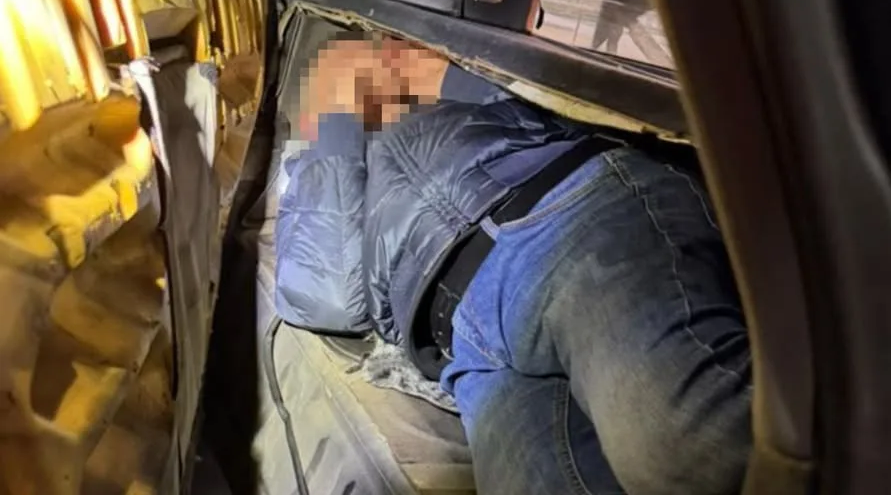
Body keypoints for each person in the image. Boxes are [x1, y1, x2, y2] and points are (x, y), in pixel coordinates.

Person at [275, 32, 753, 494]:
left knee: (687, 451)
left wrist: (420, 71)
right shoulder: (349, 166)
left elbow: (571, 106)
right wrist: (334, 121)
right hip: (464, 347)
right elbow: (326, 295)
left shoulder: (463, 83)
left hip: (563, 215)